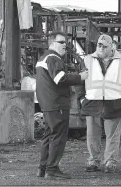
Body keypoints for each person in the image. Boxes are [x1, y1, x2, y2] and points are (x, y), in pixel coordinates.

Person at [76, 34, 121, 173]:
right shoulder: (87, 60)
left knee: (113, 136)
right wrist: (81, 98)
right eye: (99, 45)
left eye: (104, 46)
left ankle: (110, 162)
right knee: (92, 135)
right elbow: (79, 80)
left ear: (112, 47)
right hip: (92, 101)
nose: (101, 48)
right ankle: (93, 162)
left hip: (114, 102)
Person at [35, 31, 88, 179]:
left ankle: (43, 168)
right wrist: (80, 77)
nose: (66, 45)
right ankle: (52, 170)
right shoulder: (53, 58)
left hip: (47, 103)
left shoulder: (43, 58)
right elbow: (60, 79)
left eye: (66, 42)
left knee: (48, 135)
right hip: (57, 103)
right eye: (62, 42)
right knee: (58, 136)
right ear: (52, 43)